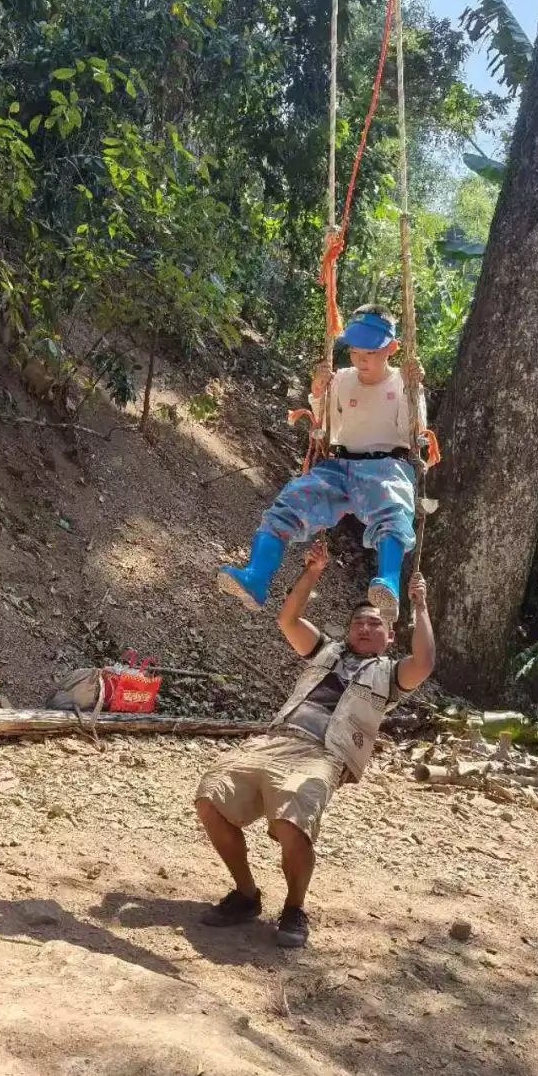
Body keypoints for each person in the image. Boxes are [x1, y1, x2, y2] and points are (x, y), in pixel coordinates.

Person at [195, 539, 435, 949]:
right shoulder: (326, 650)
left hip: (326, 754)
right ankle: (246, 895)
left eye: (375, 623)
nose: (364, 627)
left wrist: (419, 605)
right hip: (278, 739)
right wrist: (312, 571)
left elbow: (425, 662)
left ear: (389, 635)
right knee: (209, 798)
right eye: (359, 621)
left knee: (292, 822)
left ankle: (294, 907)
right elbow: (288, 620)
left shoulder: (391, 674)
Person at [218, 303, 426, 623]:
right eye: (355, 350)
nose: (360, 358)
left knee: (393, 506)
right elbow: (327, 426)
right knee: (290, 501)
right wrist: (318, 390)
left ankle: (387, 583)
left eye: (370, 350)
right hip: (339, 466)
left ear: (391, 348)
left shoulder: (403, 382)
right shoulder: (342, 379)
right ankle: (256, 577)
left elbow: (412, 433)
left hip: (386, 465)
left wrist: (414, 390)